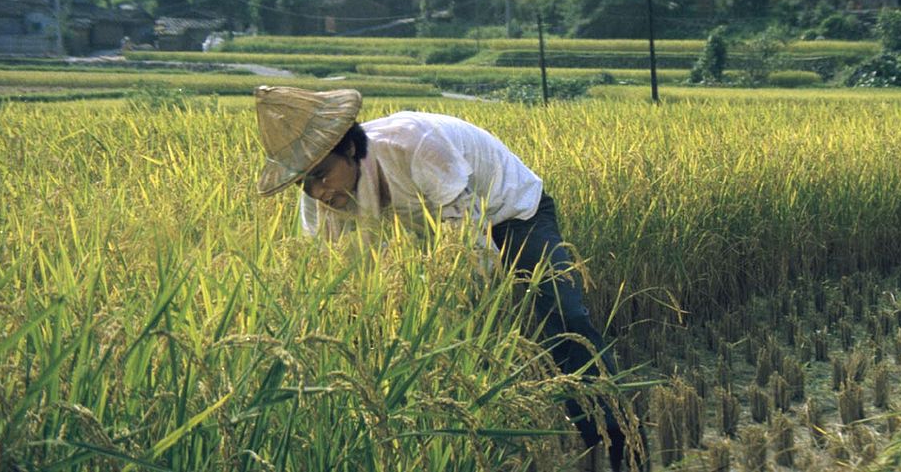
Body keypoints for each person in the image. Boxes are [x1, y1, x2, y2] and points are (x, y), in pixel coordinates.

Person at [252, 86, 641, 471]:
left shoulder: (415, 146)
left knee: (561, 318)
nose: (318, 192)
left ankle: (615, 435)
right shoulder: (320, 196)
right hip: (432, 229)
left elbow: (472, 250)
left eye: (322, 176)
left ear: (350, 148)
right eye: (306, 183)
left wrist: (465, 316)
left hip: (513, 212)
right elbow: (333, 275)